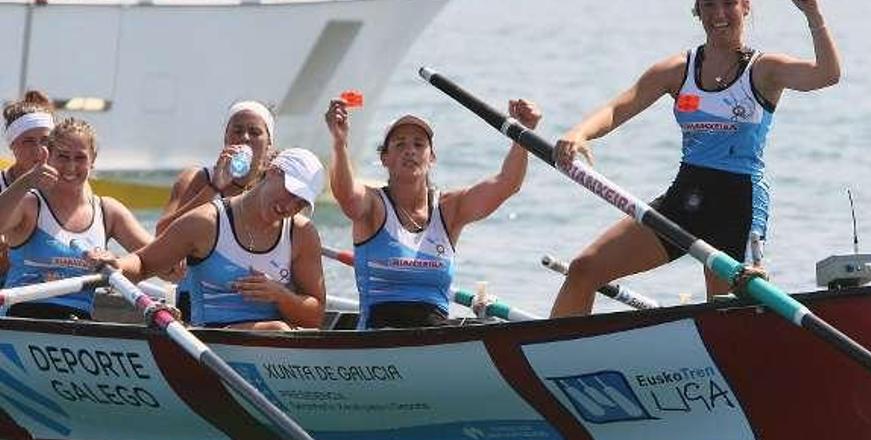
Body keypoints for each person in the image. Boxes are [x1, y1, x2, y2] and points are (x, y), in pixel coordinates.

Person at [550, 0, 841, 317]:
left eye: (729, 3)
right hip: (684, 201)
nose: (719, 13)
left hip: (738, 207)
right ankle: (547, 360)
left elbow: (826, 75)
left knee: (724, 314)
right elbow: (618, 108)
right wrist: (579, 133)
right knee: (584, 269)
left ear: (745, 7)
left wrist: (813, 13)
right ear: (697, 11)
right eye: (709, 5)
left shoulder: (764, 69)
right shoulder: (676, 70)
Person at [325, 98, 542, 329]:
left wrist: (523, 133)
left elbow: (507, 184)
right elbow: (345, 194)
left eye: (419, 145)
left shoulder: (450, 209)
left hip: (434, 330)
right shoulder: (372, 205)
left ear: (432, 158)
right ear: (384, 159)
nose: (410, 151)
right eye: (400, 144)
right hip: (378, 332)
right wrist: (339, 143)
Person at [94, 148, 327, 331]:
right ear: (274, 171)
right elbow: (144, 264)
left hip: (276, 341)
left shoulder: (302, 234)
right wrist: (117, 265)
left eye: (300, 203)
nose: (289, 206)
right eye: (290, 192)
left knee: (278, 330)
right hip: (208, 339)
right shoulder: (206, 222)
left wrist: (279, 294)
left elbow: (315, 318)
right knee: (277, 330)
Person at [0, 117, 153, 320]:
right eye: (63, 157)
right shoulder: (30, 204)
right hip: (22, 317)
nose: (71, 167)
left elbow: (162, 265)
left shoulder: (109, 211)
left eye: (80, 158)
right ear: (49, 157)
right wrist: (26, 181)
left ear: (93, 159)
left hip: (78, 324)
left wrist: (118, 263)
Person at [155, 100, 277, 320]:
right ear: (226, 138)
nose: (245, 138)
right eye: (237, 131)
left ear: (269, 143)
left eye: (255, 132)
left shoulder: (276, 188)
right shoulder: (196, 179)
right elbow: (161, 237)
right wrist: (213, 189)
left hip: (257, 307)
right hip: (198, 305)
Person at [1, 90, 57, 286]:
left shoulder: (67, 185)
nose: (39, 149)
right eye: (28, 141)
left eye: (45, 141)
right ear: (12, 145)